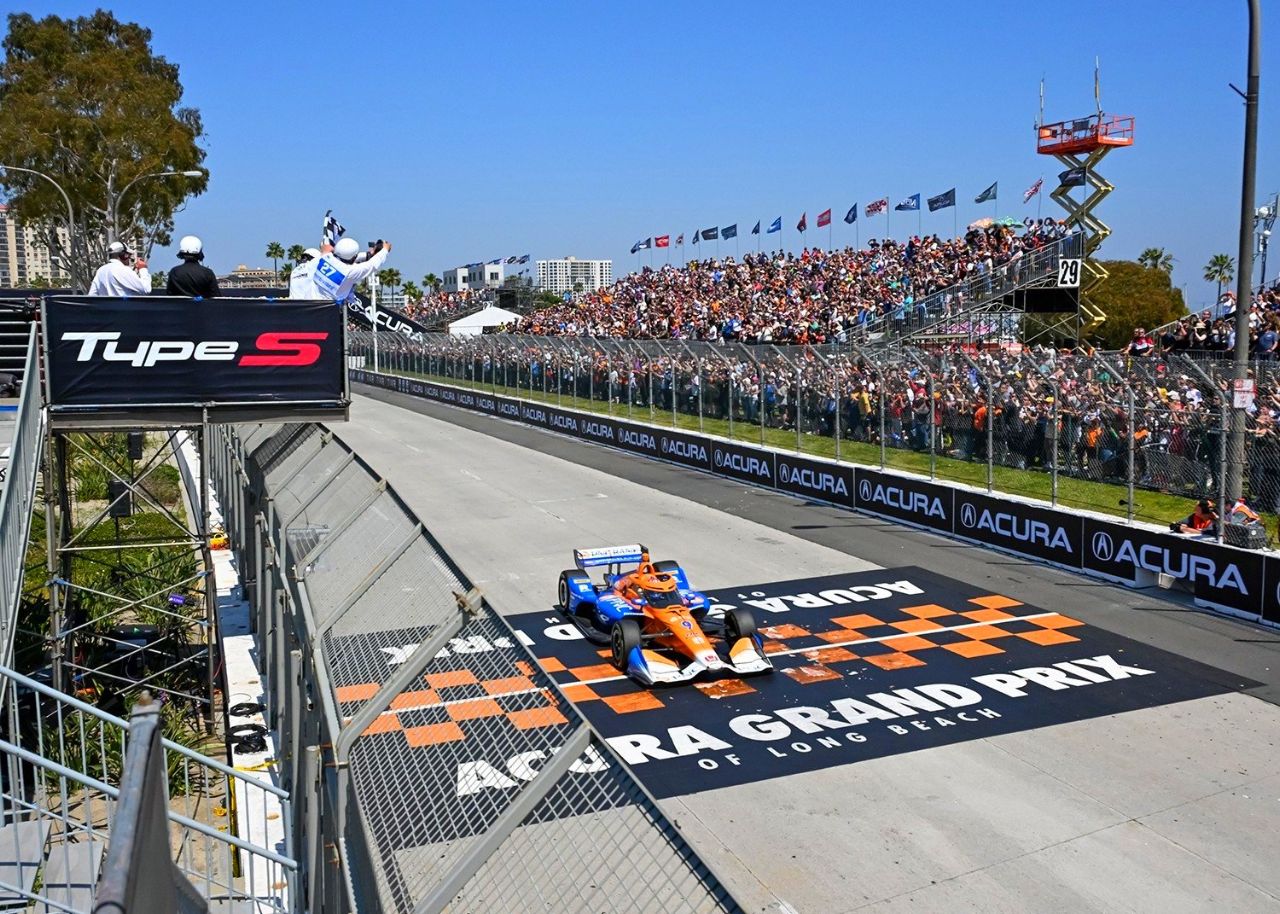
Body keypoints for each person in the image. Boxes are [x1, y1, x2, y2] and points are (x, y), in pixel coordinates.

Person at [310, 237, 391, 305]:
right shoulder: (350, 272)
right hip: (327, 309)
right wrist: (385, 250)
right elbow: (372, 264)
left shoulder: (325, 257)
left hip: (308, 302)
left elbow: (343, 257)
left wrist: (371, 253)